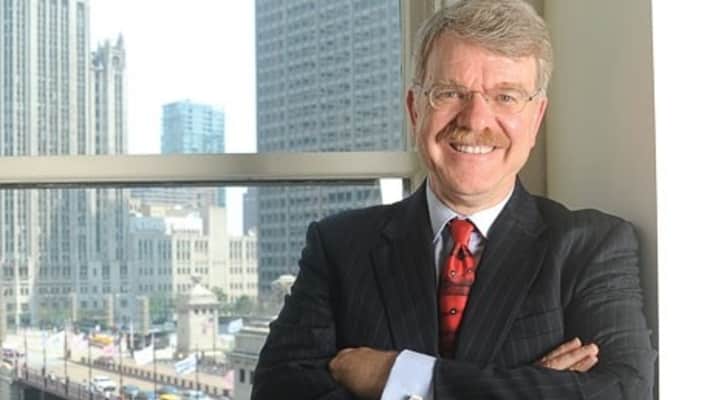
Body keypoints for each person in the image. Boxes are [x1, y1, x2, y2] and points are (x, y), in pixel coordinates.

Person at [252, 0, 656, 399]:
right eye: (450, 93)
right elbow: (278, 392)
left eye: (506, 97)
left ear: (536, 119)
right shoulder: (338, 247)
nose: (475, 119)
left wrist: (402, 377)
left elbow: (624, 391)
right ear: (415, 110)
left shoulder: (591, 247)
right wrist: (528, 386)